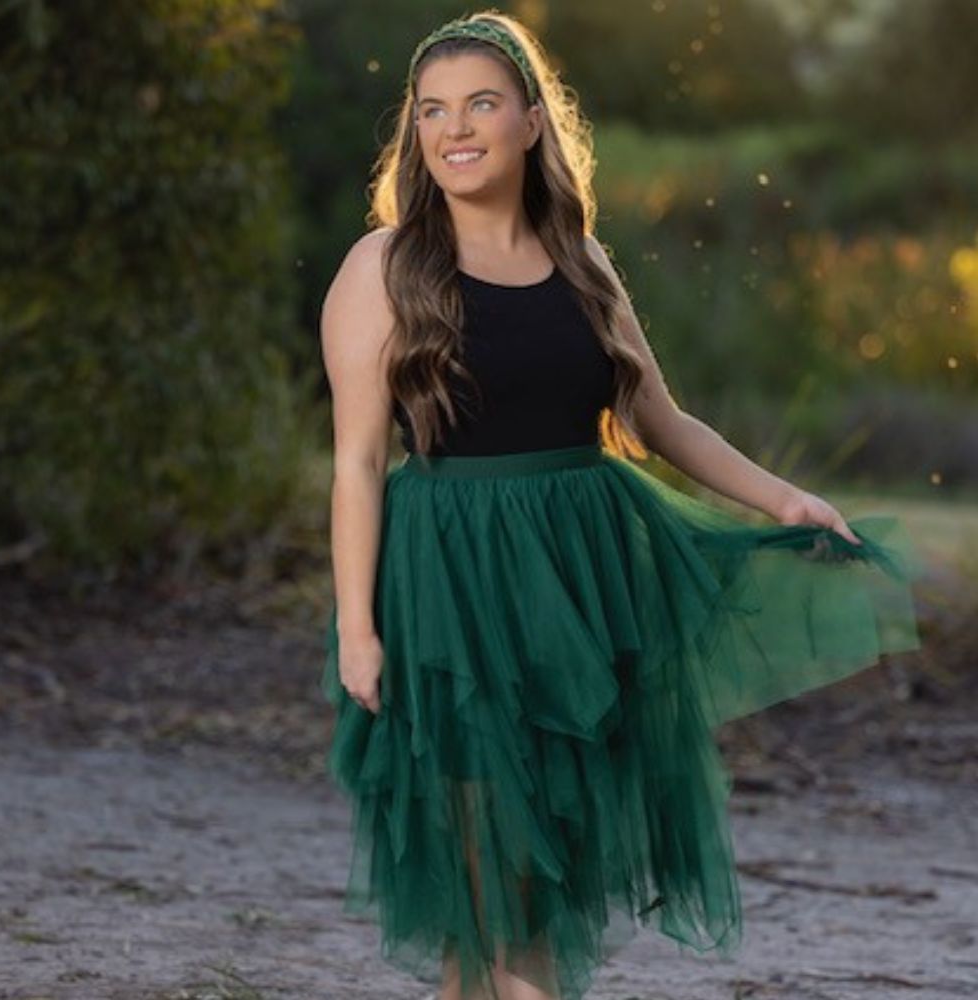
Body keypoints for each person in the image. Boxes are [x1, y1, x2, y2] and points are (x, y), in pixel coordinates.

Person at [318, 11, 922, 1000]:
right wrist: (357, 629)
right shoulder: (383, 267)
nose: (454, 128)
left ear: (530, 123)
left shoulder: (580, 262)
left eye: (480, 103)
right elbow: (354, 462)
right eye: (431, 110)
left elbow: (661, 420)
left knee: (535, 866)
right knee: (487, 859)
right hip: (453, 585)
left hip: (580, 581)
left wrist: (785, 499)